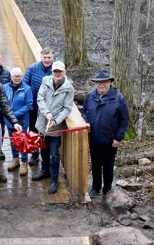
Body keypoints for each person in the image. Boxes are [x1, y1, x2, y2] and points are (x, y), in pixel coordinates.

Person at [82, 70, 129, 199]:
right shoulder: (90, 96)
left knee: (108, 166)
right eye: (99, 82)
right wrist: (86, 121)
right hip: (94, 138)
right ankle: (95, 188)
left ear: (109, 82)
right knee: (96, 164)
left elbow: (124, 120)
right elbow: (84, 111)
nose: (101, 85)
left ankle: (107, 189)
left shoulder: (118, 98)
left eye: (105, 82)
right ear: (95, 83)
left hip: (110, 140)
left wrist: (118, 138)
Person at [31, 61, 74, 194]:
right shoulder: (45, 81)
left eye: (60, 71)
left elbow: (67, 108)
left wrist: (56, 120)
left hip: (55, 127)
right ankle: (45, 171)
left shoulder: (69, 88)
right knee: (43, 149)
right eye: (55, 71)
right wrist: (47, 113)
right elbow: (40, 99)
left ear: (64, 72)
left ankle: (54, 180)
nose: (57, 74)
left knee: (54, 155)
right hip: (42, 124)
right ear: (52, 72)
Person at [23, 47, 54, 166]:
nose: (47, 60)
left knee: (47, 132)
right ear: (41, 57)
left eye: (49, 58)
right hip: (34, 107)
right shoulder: (32, 68)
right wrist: (29, 103)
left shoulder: (55, 70)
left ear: (52, 58)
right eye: (44, 57)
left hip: (50, 108)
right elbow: (25, 86)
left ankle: (47, 156)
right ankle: (34, 155)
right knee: (33, 130)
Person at [4, 67, 33, 176]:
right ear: (11, 77)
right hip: (9, 121)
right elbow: (3, 103)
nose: (17, 78)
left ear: (22, 77)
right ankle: (15, 159)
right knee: (13, 140)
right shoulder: (5, 87)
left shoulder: (27, 89)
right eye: (15, 76)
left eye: (19, 76)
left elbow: (28, 105)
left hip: (22, 120)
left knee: (22, 141)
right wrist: (8, 115)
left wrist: (14, 114)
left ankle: (24, 162)